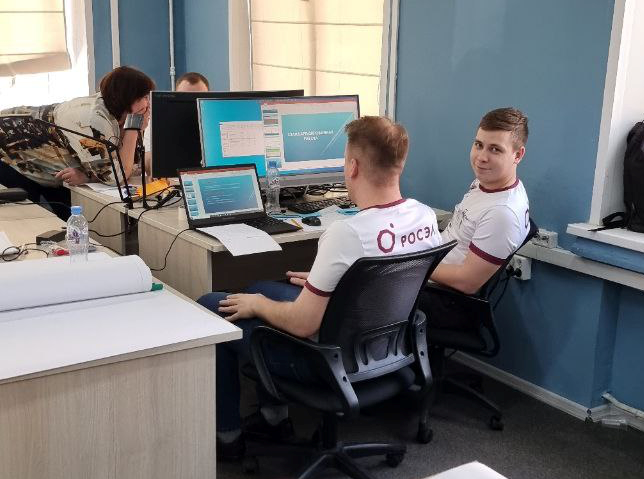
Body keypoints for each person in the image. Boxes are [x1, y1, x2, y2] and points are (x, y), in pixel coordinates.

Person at [197, 116, 443, 460]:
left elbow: (302, 324)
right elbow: (385, 281)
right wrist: (327, 284)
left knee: (213, 306)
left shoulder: (346, 234)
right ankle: (273, 419)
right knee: (261, 287)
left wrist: (257, 305)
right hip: (389, 350)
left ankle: (229, 438)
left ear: (353, 166)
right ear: (400, 163)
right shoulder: (424, 216)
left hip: (328, 361)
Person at [420, 107, 530, 328]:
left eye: (495, 150)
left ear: (517, 155)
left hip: (445, 301)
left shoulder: (502, 213)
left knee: (357, 288)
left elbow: (467, 282)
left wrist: (415, 267)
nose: (481, 158)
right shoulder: (486, 184)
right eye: (479, 145)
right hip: (432, 277)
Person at [0, 66, 154, 218]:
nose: (148, 103)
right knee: (31, 220)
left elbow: (134, 163)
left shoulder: (120, 116)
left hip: (54, 167)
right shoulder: (93, 120)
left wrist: (88, 176)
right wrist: (134, 129)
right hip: (10, 154)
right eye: (143, 97)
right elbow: (116, 177)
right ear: (126, 98)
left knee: (77, 219)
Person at [143, 71, 209, 177]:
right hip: (172, 181)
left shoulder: (215, 121)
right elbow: (148, 168)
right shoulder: (156, 121)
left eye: (198, 98)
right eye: (184, 98)